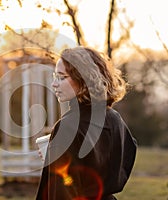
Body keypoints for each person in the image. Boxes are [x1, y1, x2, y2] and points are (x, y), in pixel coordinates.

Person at [35, 46, 137, 200]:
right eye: (55, 76)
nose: (54, 84)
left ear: (83, 79)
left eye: (62, 77)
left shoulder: (68, 127)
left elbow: (60, 192)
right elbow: (126, 153)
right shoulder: (114, 119)